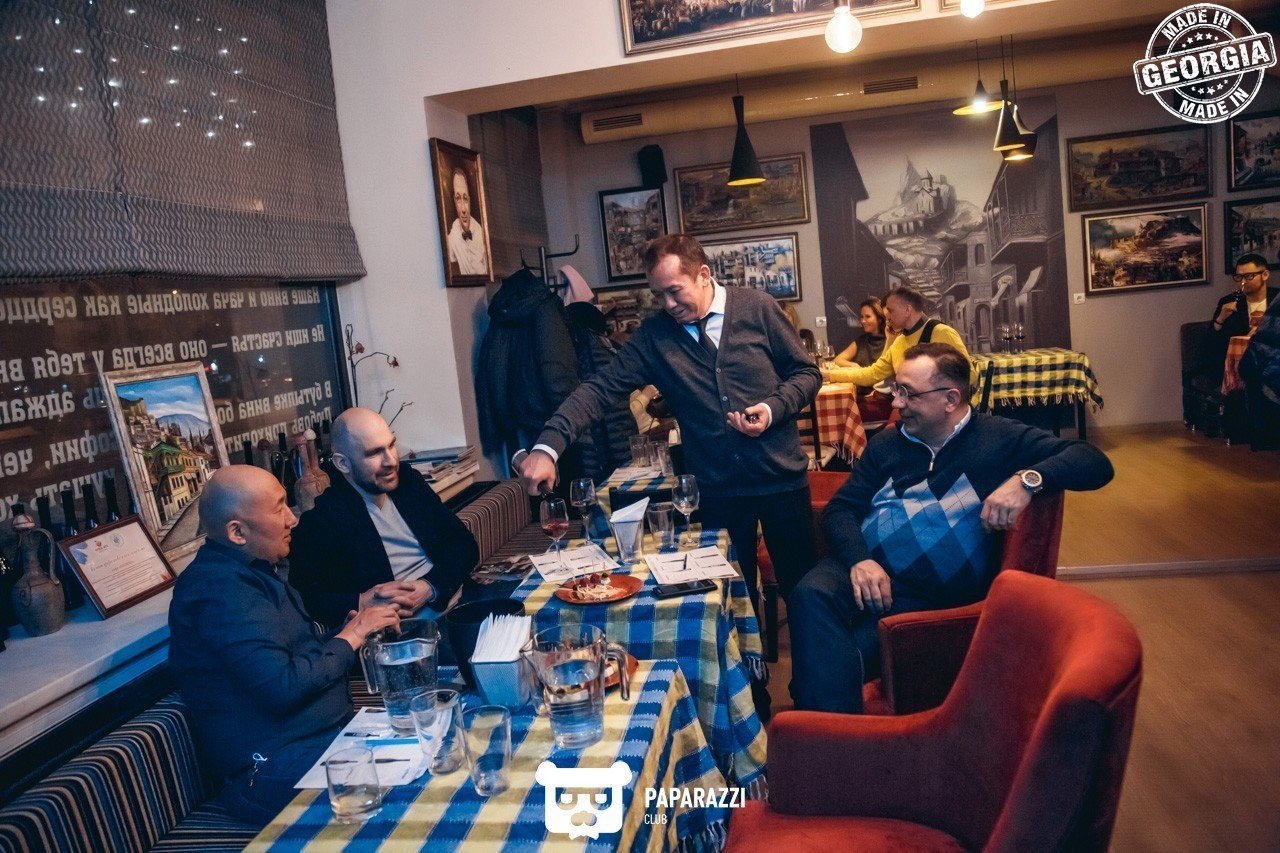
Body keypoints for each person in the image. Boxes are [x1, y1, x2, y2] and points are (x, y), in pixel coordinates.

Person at [788, 343, 1114, 713]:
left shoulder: (998, 438)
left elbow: (1093, 462)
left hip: (924, 594)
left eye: (908, 392)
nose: (896, 402)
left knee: (829, 663)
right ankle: (830, 729)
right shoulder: (888, 443)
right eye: (896, 388)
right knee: (809, 593)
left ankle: (827, 733)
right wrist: (860, 560)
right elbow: (841, 508)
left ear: (950, 399)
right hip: (862, 568)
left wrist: (1027, 480)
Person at [519, 233, 822, 604]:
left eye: (675, 291)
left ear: (704, 275)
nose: (668, 304)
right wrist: (547, 447)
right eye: (658, 295)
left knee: (805, 595)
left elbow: (807, 373)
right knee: (729, 601)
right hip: (718, 492)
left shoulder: (757, 308)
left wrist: (773, 408)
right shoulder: (655, 337)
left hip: (782, 481)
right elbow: (597, 390)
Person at [168, 465, 400, 825]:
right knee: (409, 800)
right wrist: (351, 636)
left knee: (436, 737)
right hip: (271, 768)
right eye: (279, 508)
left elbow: (287, 657)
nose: (293, 519)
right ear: (237, 532)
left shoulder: (253, 571)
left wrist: (347, 630)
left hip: (323, 740)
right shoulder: (218, 590)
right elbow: (282, 686)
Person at [289, 407, 480, 628]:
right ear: (343, 463)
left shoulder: (408, 482)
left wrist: (430, 587)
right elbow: (304, 598)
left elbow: (464, 544)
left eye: (391, 445)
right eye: (374, 453)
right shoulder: (324, 520)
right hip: (404, 631)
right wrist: (360, 602)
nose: (391, 461)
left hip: (460, 603)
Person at [822, 286, 974, 389]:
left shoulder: (942, 333)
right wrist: (829, 375)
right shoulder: (899, 340)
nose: (886, 316)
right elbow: (872, 374)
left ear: (907, 310)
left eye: (890, 310)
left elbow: (970, 376)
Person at [1213, 253, 1276, 339]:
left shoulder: (1277, 298)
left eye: (1249, 276)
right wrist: (1221, 318)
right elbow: (1213, 341)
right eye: (1239, 276)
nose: (1243, 282)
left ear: (1265, 275)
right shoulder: (1228, 301)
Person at [445, 166, 490, 276]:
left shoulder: (482, 235)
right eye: (458, 199)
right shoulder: (453, 236)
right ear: (454, 201)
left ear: (469, 200)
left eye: (465, 199)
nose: (463, 209)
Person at [832, 297, 892, 368]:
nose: (863, 321)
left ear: (879, 319)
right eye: (862, 317)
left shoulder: (891, 339)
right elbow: (837, 360)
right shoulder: (861, 340)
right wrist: (854, 365)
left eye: (867, 316)